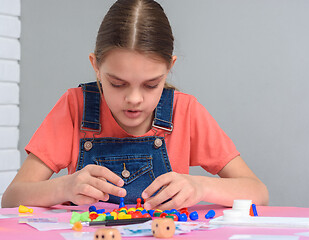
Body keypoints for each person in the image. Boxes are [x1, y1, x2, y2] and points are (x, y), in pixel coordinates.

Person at [1, 0, 268, 210]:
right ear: (96, 67)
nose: (134, 99)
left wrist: (199, 187)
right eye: (117, 84)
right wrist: (64, 188)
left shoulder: (184, 111)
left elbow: (258, 191)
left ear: (169, 68)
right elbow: (11, 198)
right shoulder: (75, 107)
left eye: (152, 84)